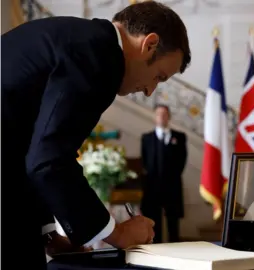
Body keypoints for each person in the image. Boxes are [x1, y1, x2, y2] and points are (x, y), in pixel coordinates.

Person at [1, 1, 191, 269]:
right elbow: (49, 161)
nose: (150, 91)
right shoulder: (99, 55)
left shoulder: (82, 38)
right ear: (149, 44)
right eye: (158, 77)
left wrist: (48, 234)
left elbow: (29, 150)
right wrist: (118, 233)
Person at [140, 104, 188, 243]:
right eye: (159, 114)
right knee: (155, 223)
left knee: (173, 223)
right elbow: (145, 162)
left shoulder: (180, 137)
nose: (161, 116)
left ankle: (176, 249)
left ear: (169, 117)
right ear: (155, 117)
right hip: (153, 188)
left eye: (164, 114)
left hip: (172, 187)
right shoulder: (147, 138)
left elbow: (182, 161)